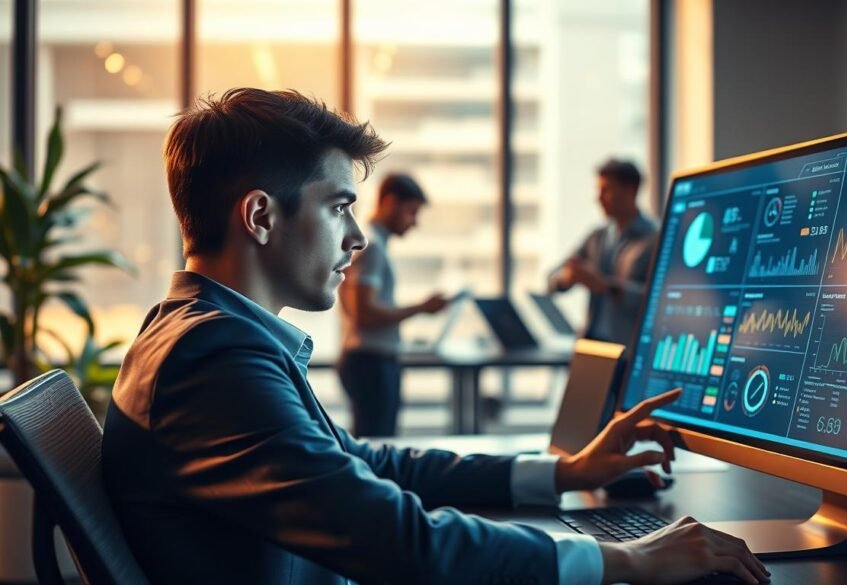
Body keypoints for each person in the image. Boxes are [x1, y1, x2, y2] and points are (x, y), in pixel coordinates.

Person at [102, 88, 768, 585]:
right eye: (339, 207)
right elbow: (396, 538)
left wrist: (562, 471)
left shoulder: (204, 335)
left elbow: (366, 468)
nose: (357, 238)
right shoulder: (214, 359)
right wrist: (623, 557)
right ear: (260, 216)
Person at [338, 173, 446, 437]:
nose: (414, 222)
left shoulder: (372, 244)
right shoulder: (372, 247)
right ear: (390, 202)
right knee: (377, 443)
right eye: (411, 212)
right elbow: (364, 313)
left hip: (369, 360)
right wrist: (421, 308)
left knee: (375, 440)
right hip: (370, 362)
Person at [549, 159, 659, 346]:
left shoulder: (654, 238)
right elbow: (552, 279)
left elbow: (658, 298)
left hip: (628, 349)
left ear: (629, 190)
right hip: (591, 344)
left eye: (606, 190)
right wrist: (570, 276)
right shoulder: (596, 238)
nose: (598, 198)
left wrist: (607, 286)